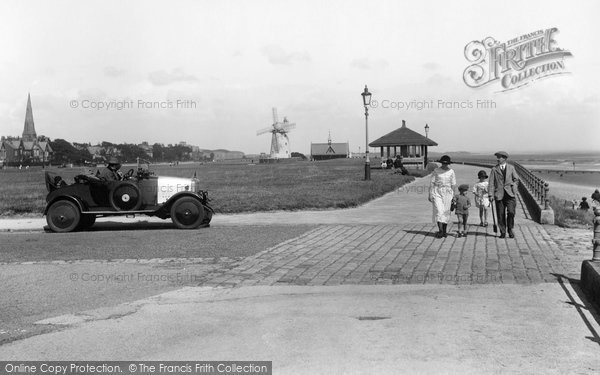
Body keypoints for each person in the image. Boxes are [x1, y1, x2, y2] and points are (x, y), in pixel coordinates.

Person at [488, 151, 519, 239]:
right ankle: (503, 231)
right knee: (500, 214)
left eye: (499, 157)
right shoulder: (494, 169)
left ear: (504, 158)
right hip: (499, 194)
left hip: (510, 194)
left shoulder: (511, 168)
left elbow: (516, 179)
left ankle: (510, 228)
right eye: (497, 157)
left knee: (511, 212)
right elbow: (491, 183)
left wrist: (514, 186)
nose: (497, 159)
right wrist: (490, 195)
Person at [428, 155, 456, 238]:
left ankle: (444, 231)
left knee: (446, 212)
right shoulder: (436, 171)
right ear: (441, 163)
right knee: (439, 211)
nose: (445, 165)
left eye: (446, 163)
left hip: (448, 192)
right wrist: (430, 194)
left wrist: (453, 196)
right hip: (437, 191)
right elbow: (432, 183)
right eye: (443, 163)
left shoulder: (451, 171)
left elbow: (453, 184)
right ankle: (440, 231)